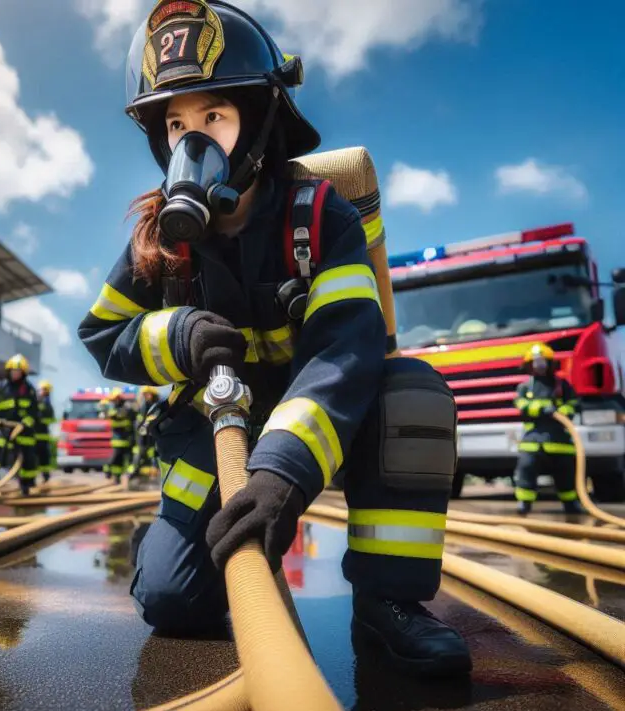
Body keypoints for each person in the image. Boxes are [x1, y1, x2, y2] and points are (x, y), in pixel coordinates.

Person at [79, 0, 470, 676]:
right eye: (176, 124)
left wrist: (281, 472)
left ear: (259, 120)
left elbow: (346, 350)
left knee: (412, 393)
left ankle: (390, 600)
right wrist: (178, 333)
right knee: (172, 601)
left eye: (214, 118)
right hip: (213, 431)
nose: (192, 142)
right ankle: (171, 539)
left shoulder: (321, 217)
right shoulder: (157, 237)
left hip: (315, 422)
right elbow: (103, 333)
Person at [514, 343, 581, 514]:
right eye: (535, 362)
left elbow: (574, 405)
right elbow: (521, 405)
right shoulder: (525, 387)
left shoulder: (562, 385)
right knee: (526, 470)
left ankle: (571, 505)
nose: (539, 365)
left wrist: (561, 412)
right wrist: (541, 409)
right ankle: (524, 504)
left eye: (542, 361)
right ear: (529, 365)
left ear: (550, 363)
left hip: (560, 442)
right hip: (532, 442)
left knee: (566, 475)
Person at [0, 354, 40, 496]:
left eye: (18, 371)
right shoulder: (2, 388)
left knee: (27, 457)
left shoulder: (29, 389)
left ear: (23, 373)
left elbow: (34, 412)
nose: (15, 374)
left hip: (24, 430)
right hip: (4, 428)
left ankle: (27, 484)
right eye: (13, 371)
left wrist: (24, 424)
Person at [102, 387, 135, 483]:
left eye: (114, 399)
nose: (113, 401)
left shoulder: (126, 407)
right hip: (117, 437)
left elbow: (121, 414)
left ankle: (117, 477)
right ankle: (109, 471)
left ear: (119, 398)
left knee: (121, 459)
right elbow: (111, 414)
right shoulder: (113, 408)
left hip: (126, 437)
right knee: (116, 457)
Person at [127, 386, 159, 482]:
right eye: (144, 394)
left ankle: (149, 475)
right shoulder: (143, 405)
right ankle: (134, 473)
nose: (146, 396)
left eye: (147, 394)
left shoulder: (155, 405)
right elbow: (140, 419)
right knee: (140, 452)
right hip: (142, 435)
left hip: (151, 435)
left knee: (151, 454)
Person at [35, 379, 57, 482]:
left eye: (45, 390)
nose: (43, 392)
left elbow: (51, 419)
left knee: (44, 457)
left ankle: (46, 476)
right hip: (34, 435)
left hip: (43, 435)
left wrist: (41, 421)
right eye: (43, 389)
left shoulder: (48, 404)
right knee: (33, 457)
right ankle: (32, 478)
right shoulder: (35, 402)